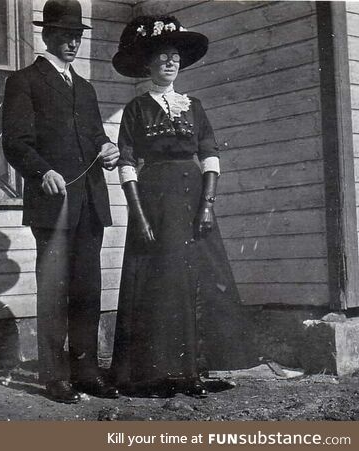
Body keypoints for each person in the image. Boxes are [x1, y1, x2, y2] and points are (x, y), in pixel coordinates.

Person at [110, 16, 241, 398]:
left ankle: (193, 371)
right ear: (148, 65)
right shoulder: (136, 109)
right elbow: (127, 162)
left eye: (175, 57)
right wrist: (138, 213)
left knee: (195, 283)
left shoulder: (194, 107)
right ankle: (153, 374)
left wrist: (207, 205)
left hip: (194, 203)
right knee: (159, 285)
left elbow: (211, 156)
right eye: (162, 57)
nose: (170, 63)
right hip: (154, 205)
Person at [2, 0, 119, 403]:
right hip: (52, 202)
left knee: (88, 289)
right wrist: (42, 171)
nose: (73, 43)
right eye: (66, 35)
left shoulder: (85, 89)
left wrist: (109, 149)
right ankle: (55, 376)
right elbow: (16, 143)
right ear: (47, 35)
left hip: (90, 201)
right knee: (54, 289)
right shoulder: (25, 81)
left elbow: (94, 136)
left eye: (78, 36)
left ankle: (86, 370)